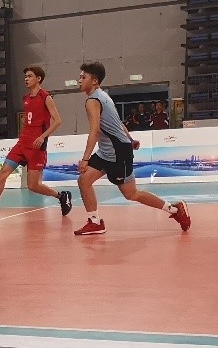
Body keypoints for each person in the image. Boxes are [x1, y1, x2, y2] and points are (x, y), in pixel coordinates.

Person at [73, 61, 191, 237]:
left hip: (117, 152)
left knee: (131, 194)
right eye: (80, 77)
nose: (79, 80)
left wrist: (85, 159)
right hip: (107, 151)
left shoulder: (93, 100)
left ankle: (175, 209)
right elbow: (118, 122)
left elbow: (94, 131)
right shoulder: (103, 96)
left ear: (95, 81)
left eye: (83, 77)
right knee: (84, 181)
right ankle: (95, 222)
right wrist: (130, 139)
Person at [0, 66, 72, 223]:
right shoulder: (26, 98)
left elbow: (58, 121)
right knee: (2, 173)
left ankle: (61, 196)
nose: (26, 79)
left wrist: (42, 137)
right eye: (25, 76)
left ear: (38, 79)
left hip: (36, 146)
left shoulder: (45, 97)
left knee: (33, 186)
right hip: (22, 144)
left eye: (30, 76)